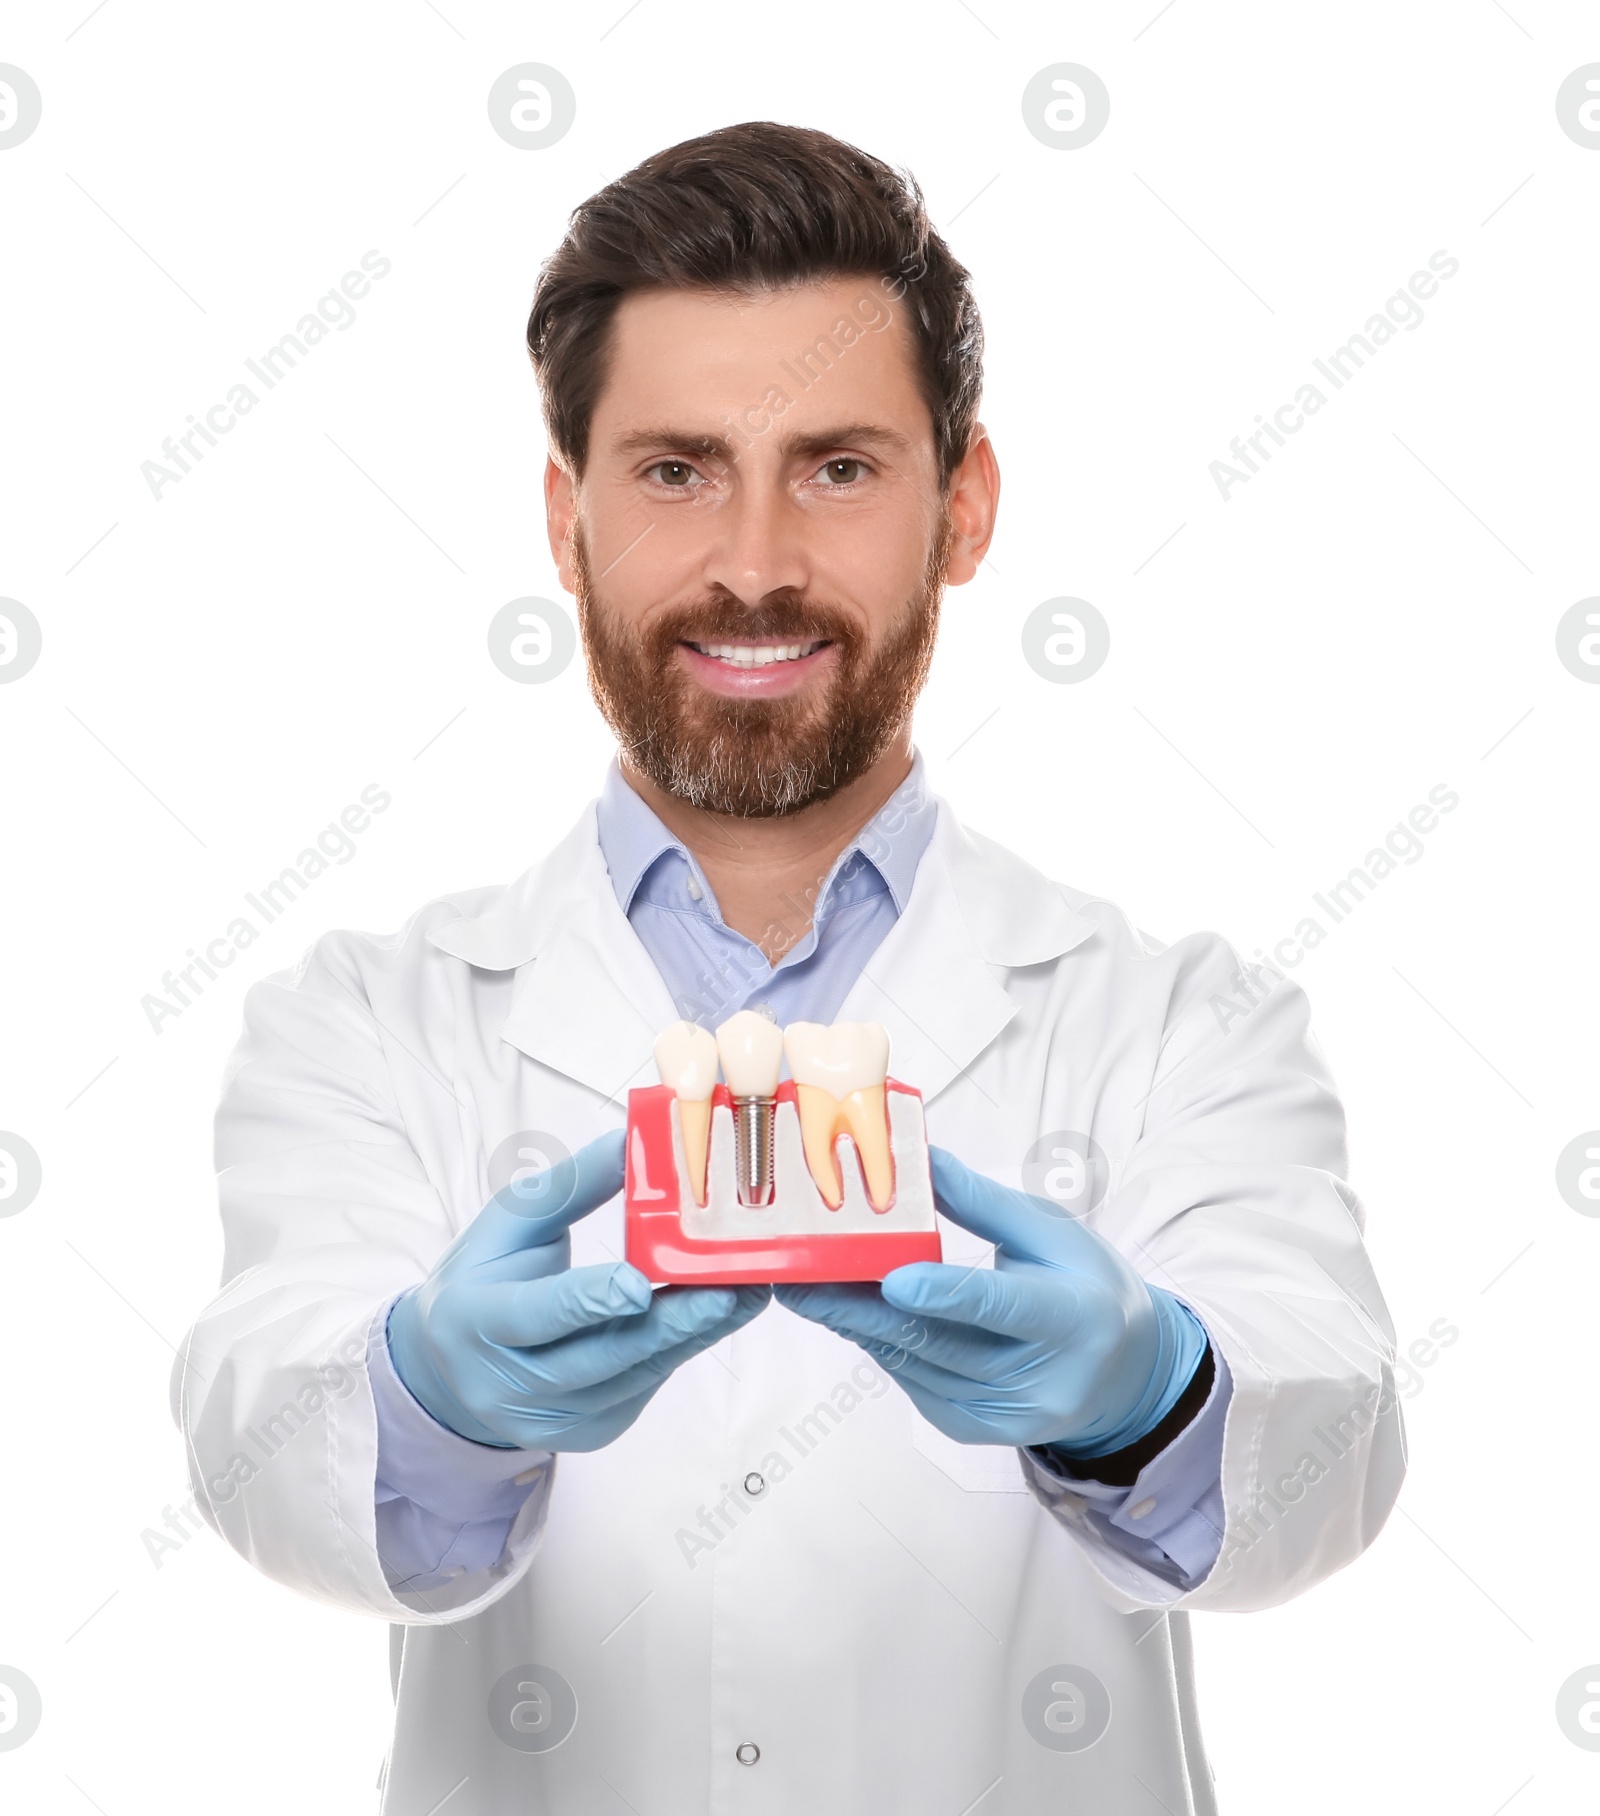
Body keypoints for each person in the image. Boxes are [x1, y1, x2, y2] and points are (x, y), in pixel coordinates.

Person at [175, 122, 1404, 1814]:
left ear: (963, 506)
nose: (753, 563)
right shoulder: (362, 1022)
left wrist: (1148, 1398)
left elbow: (1327, 1461)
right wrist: (429, 1400)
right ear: (566, 517)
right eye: (677, 469)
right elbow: (261, 1444)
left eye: (837, 466)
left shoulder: (1187, 1022)